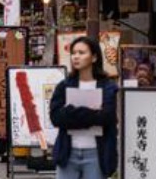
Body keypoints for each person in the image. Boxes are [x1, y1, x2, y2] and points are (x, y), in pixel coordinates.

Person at [49, 36, 118, 179]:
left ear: (94, 57)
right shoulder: (65, 85)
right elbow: (56, 117)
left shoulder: (108, 86)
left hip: (96, 153)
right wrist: (92, 114)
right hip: (68, 152)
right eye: (74, 53)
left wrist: (72, 113)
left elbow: (107, 116)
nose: (76, 57)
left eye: (81, 53)